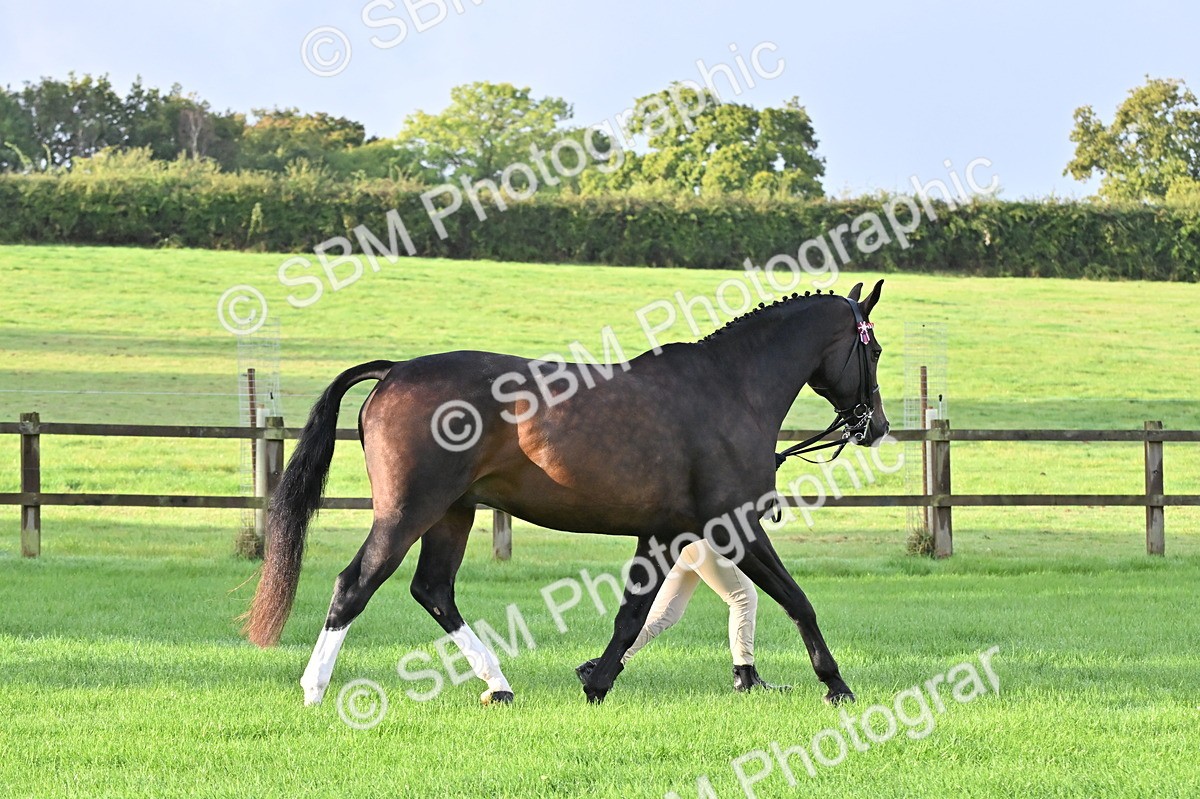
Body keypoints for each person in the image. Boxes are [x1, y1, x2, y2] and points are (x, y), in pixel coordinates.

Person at [576, 540, 789, 691]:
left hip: (683, 538)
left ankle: (600, 667)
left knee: (666, 613)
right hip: (703, 536)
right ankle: (746, 678)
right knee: (742, 597)